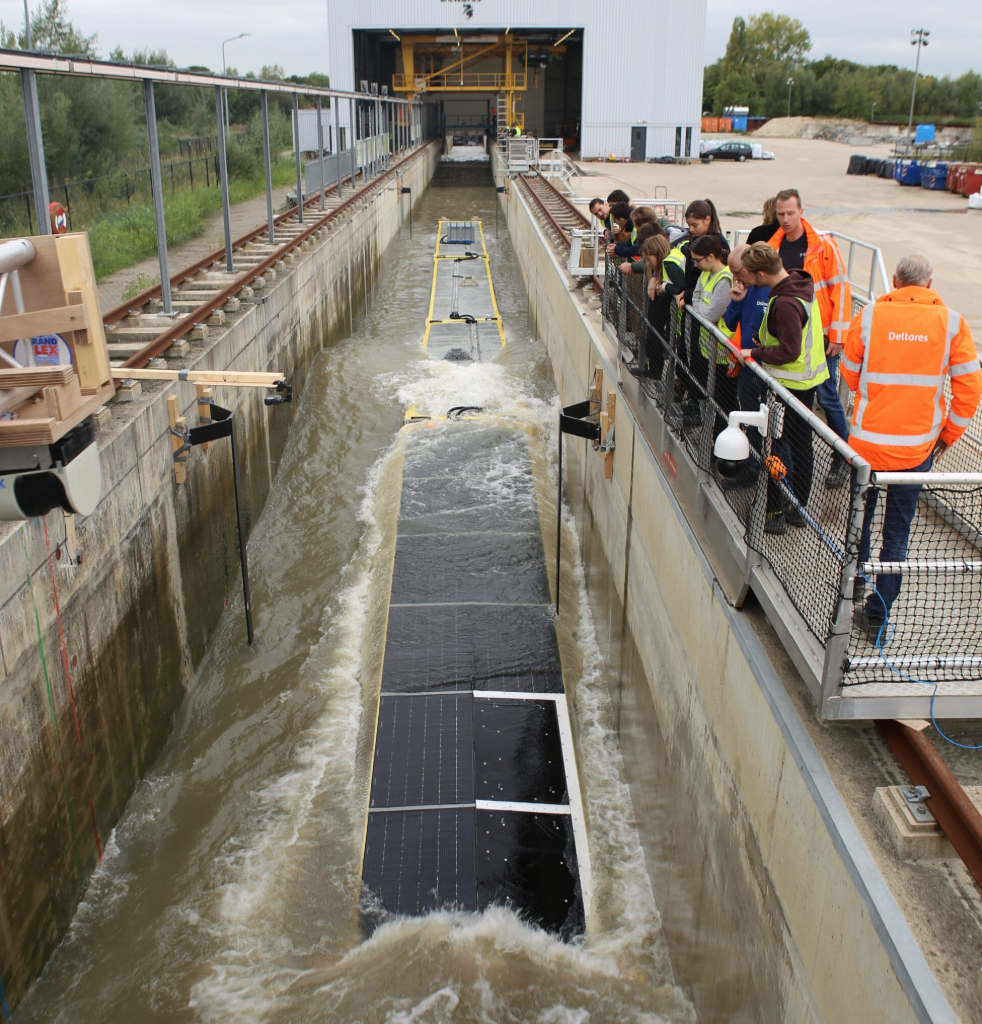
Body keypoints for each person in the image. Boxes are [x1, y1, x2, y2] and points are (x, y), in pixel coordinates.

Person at [841, 254, 982, 639]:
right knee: (898, 533)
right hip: (917, 450)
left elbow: (849, 373)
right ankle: (876, 618)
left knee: (860, 520)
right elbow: (969, 390)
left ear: (897, 282)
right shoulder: (951, 322)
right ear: (930, 284)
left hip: (867, 445)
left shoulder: (870, 315)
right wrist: (947, 435)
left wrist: (875, 397)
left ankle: (853, 584)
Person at [734, 242, 830, 535]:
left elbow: (789, 350)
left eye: (748, 276)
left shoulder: (786, 303)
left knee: (778, 446)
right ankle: (796, 507)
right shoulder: (797, 288)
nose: (745, 281)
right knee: (800, 446)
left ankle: (777, 510)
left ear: (761, 274)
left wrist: (755, 353)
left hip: (789, 386)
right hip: (803, 384)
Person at [768, 188, 852, 488]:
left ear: (801, 212)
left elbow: (841, 289)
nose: (786, 219)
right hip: (792, 337)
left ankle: (843, 458)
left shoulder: (823, 246)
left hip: (822, 338)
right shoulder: (773, 246)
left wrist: (838, 335)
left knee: (828, 397)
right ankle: (789, 463)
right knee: (792, 406)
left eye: (791, 213)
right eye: (781, 214)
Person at [684, 234, 734, 433]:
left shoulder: (725, 280)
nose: (695, 265)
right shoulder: (706, 274)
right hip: (708, 349)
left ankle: (721, 439)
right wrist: (700, 311)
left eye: (697, 260)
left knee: (724, 402)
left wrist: (699, 312)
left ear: (712, 257)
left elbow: (712, 314)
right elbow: (696, 295)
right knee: (713, 397)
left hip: (722, 354)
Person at [635, 234, 686, 379]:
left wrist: (664, 286)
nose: (649, 264)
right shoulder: (671, 256)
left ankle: (655, 371)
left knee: (655, 334)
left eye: (649, 260)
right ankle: (654, 369)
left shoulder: (668, 264)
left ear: (657, 253)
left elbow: (681, 288)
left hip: (680, 310)